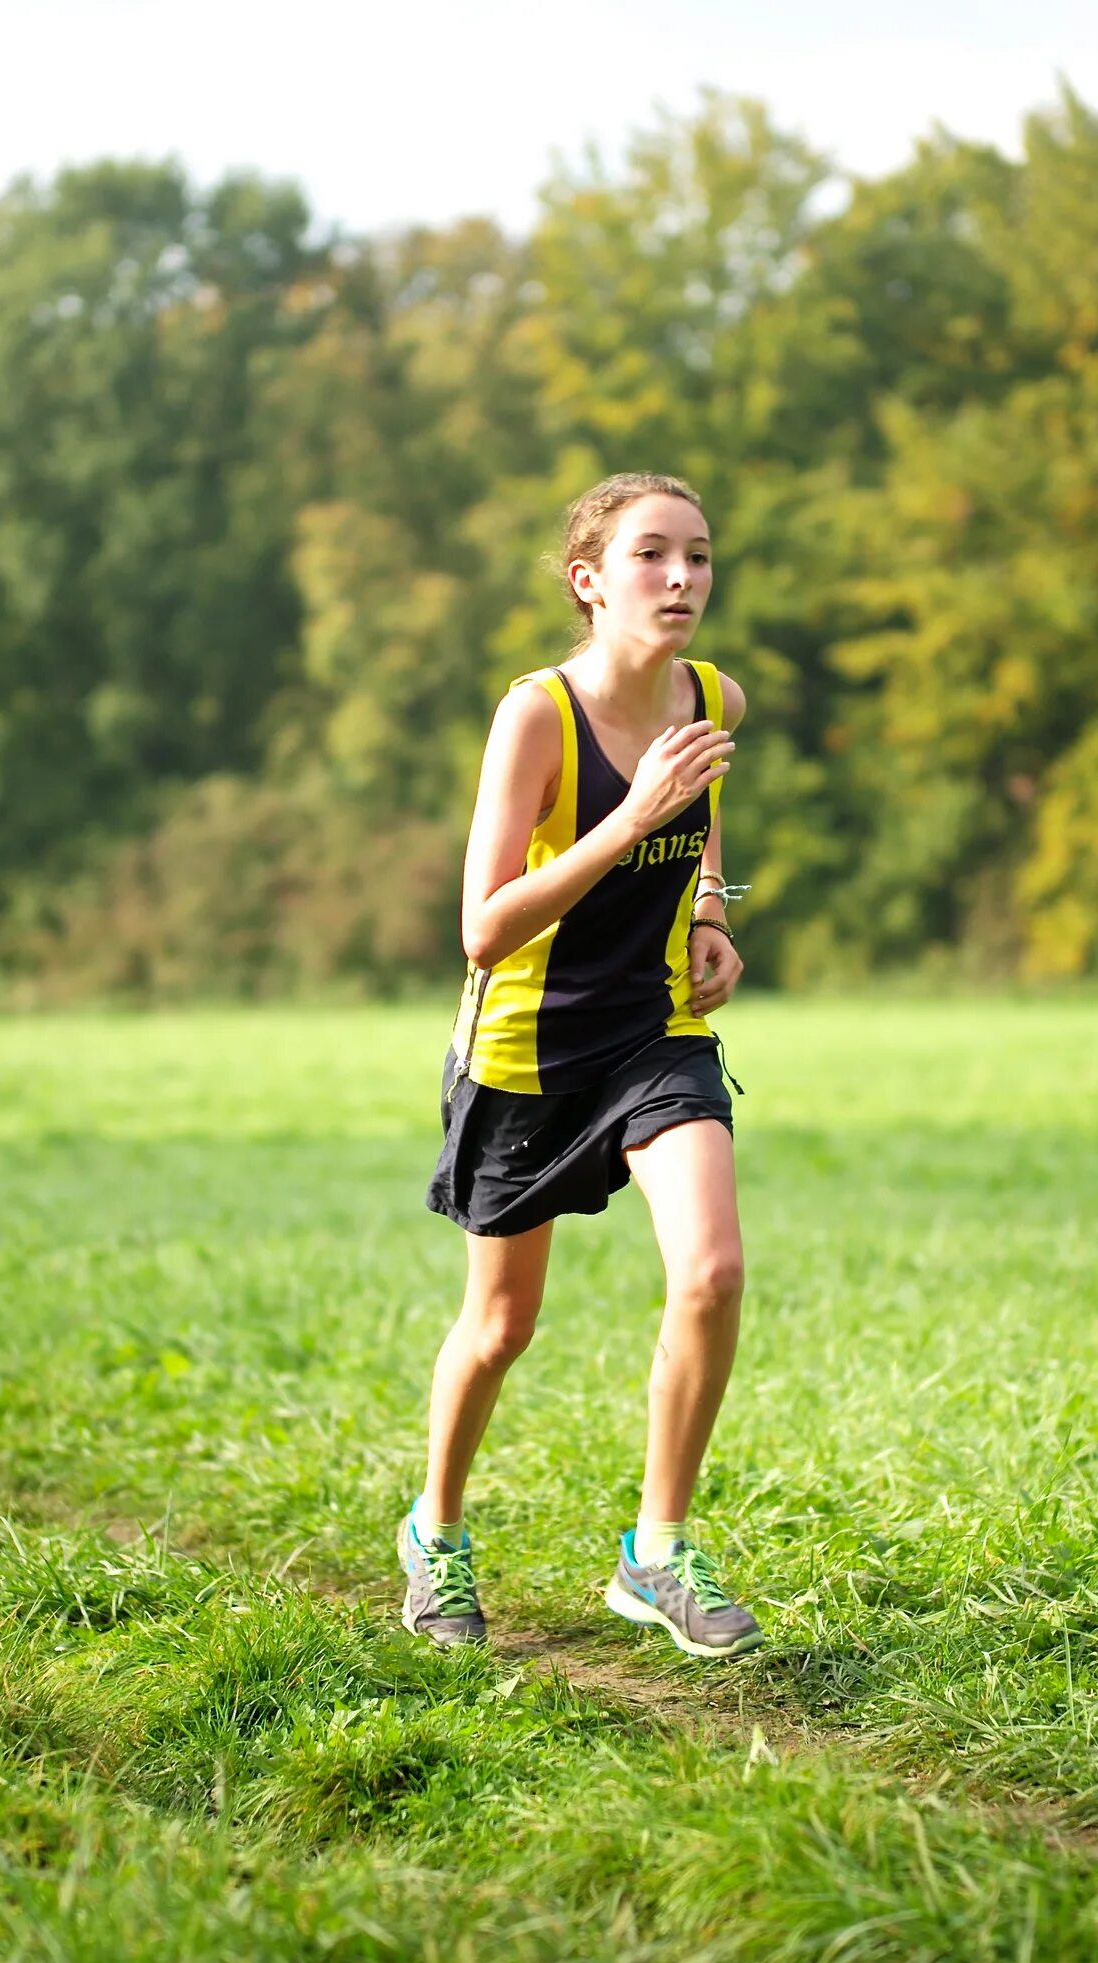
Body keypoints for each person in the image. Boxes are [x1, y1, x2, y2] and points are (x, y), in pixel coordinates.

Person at [402, 471, 762, 1659]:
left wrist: (709, 909)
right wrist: (627, 817)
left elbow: (698, 813)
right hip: (527, 1048)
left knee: (711, 1270)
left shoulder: (712, 695)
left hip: (656, 1031)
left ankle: (656, 1550)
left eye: (699, 557)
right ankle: (436, 1533)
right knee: (503, 1324)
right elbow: (482, 925)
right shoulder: (537, 717)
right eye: (654, 555)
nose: (681, 579)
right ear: (590, 579)